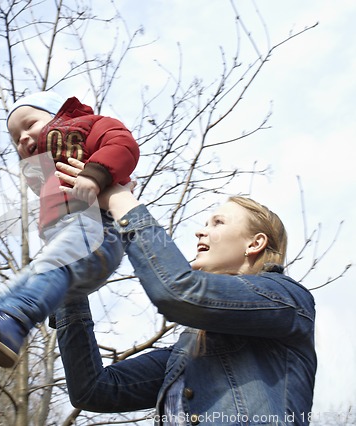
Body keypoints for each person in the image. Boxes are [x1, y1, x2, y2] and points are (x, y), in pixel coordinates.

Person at [52, 158, 316, 425]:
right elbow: (94, 390)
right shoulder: (187, 352)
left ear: (255, 243)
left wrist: (120, 202)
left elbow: (178, 291)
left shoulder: (287, 300)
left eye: (218, 222)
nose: (200, 232)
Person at [0, 91, 139, 368]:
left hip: (98, 229)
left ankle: (15, 322)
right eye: (15, 137)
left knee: (48, 269)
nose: (23, 138)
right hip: (74, 238)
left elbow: (122, 144)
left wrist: (95, 175)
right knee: (24, 280)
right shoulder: (46, 173)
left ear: (60, 116)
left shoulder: (87, 127)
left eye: (30, 124)